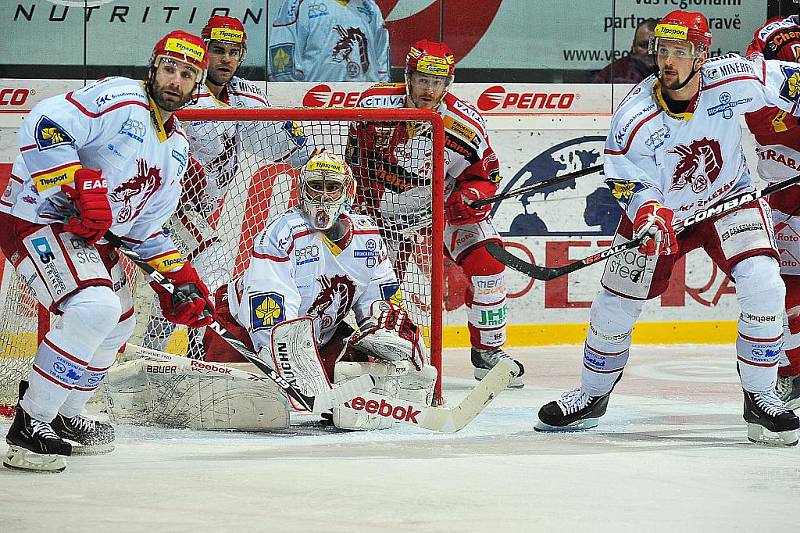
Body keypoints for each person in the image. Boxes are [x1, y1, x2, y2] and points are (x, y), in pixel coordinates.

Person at [535, 10, 800, 446]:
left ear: (701, 54)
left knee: (766, 284)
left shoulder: (731, 78)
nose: (668, 61)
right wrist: (649, 211)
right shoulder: (635, 114)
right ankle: (590, 394)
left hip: (728, 201)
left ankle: (761, 396)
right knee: (615, 303)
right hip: (664, 214)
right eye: (663, 51)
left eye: (680, 51)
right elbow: (622, 172)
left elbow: (788, 80)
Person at [0, 30, 215, 472]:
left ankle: (63, 413)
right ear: (153, 68)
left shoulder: (175, 148)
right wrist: (77, 179)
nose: (175, 80)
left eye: (187, 74)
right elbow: (44, 121)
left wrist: (179, 276)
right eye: (169, 69)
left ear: (197, 86)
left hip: (88, 235)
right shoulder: (122, 97)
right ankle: (30, 423)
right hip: (36, 214)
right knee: (94, 307)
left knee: (119, 321)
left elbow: (142, 228)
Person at [207, 150, 437, 429]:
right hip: (240, 329)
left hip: (315, 335)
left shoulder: (368, 238)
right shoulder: (283, 232)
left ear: (347, 192)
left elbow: (377, 299)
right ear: (302, 191)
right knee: (239, 407)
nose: (322, 197)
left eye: (332, 187)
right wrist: (280, 351)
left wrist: (381, 325)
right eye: (316, 186)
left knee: (363, 367)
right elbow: (267, 305)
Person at [348, 39, 525, 387]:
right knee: (377, 289)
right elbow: (356, 162)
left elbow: (486, 177)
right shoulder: (374, 106)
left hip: (440, 210)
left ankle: (488, 354)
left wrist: (471, 195)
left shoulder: (466, 126)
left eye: (438, 81)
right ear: (408, 76)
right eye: (423, 79)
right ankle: (378, 348)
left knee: (489, 264)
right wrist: (365, 212)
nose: (430, 89)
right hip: (384, 213)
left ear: (448, 82)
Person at [142, 15, 306, 356]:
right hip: (167, 208)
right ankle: (195, 355)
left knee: (175, 285)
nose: (226, 59)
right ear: (204, 50)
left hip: (197, 211)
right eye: (218, 50)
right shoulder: (184, 89)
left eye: (234, 52)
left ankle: (159, 355)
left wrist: (311, 159)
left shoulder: (246, 98)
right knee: (210, 268)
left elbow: (278, 143)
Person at [744, 8, 800, 410]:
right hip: (788, 177)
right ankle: (791, 372)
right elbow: (756, 107)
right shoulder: (775, 37)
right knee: (787, 279)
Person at [268, 0, 390, 82]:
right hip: (313, 109)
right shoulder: (297, 4)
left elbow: (382, 70)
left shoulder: (371, 8)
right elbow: (282, 72)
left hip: (363, 109)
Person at [593, 18, 659, 84]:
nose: (650, 52)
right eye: (643, 45)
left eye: (655, 45)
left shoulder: (667, 71)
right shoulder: (613, 74)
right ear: (633, 46)